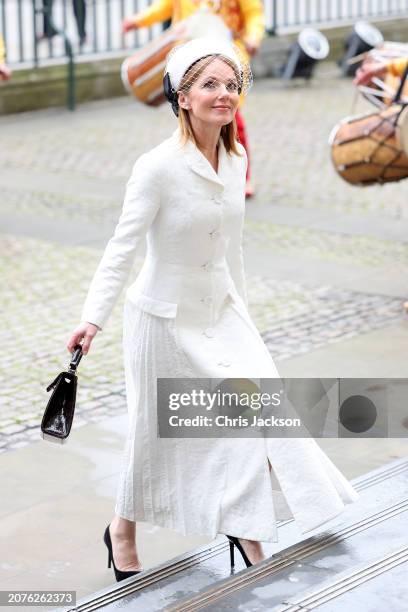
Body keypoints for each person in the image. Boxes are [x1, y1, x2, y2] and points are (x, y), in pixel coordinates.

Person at [67, 37, 359, 582]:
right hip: (163, 321)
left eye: (232, 85)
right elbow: (122, 248)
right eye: (210, 85)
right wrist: (92, 318)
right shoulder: (156, 167)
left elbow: (233, 248)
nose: (224, 95)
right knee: (156, 433)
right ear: (182, 97)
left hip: (222, 313)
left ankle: (245, 527)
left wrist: (243, 316)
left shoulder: (236, 157)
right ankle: (123, 529)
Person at [122, 0, 265, 198]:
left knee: (232, 121)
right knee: (191, 121)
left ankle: (243, 176)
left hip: (228, 60)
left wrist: (253, 37)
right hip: (190, 63)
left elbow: (253, 14)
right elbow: (163, 6)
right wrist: (137, 21)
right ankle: (198, 174)